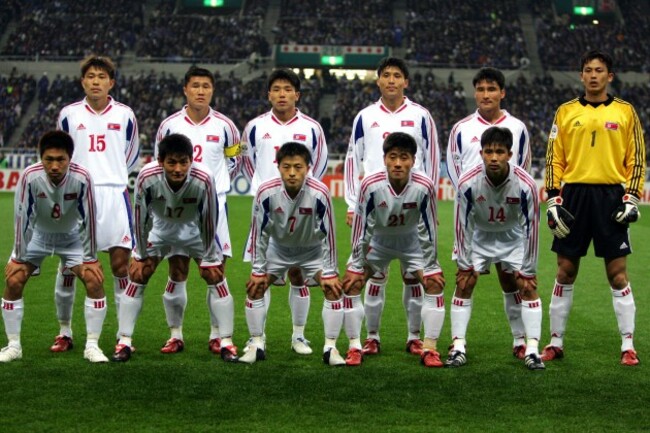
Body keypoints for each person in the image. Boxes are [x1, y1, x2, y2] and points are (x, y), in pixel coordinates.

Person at [543, 49, 645, 366]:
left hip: (610, 197)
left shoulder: (626, 112)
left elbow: (637, 158)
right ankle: (555, 342)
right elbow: (553, 157)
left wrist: (632, 196)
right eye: (588, 70)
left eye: (599, 70)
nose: (593, 75)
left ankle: (628, 345)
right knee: (565, 271)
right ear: (581, 75)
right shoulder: (565, 111)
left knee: (617, 275)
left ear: (609, 76)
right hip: (573, 197)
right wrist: (552, 198)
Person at [344, 57, 441, 357]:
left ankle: (414, 337)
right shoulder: (365, 116)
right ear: (378, 81)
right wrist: (351, 203)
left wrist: (428, 200)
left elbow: (432, 158)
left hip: (411, 205)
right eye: (385, 75)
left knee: (413, 276)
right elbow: (352, 158)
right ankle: (372, 337)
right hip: (375, 204)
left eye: (397, 76)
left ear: (405, 82)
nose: (391, 80)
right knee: (375, 275)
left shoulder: (421, 115)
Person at [111, 133, 235, 362]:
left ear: (192, 160)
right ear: (160, 161)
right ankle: (125, 341)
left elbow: (209, 219)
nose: (178, 169)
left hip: (194, 230)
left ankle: (226, 341)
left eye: (183, 162)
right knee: (138, 273)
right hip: (160, 229)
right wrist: (140, 253)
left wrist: (209, 256)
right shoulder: (147, 176)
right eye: (171, 163)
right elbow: (140, 218)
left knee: (215, 274)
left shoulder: (204, 178)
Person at [52, 55, 139, 353]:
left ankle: (123, 336)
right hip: (76, 197)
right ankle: (65, 332)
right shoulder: (69, 115)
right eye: (90, 76)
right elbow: (61, 154)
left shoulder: (126, 114)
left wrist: (108, 174)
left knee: (120, 266)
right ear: (83, 81)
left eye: (102, 77)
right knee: (68, 266)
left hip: (114, 195)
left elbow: (131, 154)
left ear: (111, 82)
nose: (96, 81)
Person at [240, 68, 329, 355]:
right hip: (268, 208)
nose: (282, 94)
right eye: (276, 89)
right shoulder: (254, 126)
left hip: (301, 208)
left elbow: (319, 164)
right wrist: (267, 189)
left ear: (297, 94)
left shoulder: (313, 127)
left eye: (287, 89)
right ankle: (257, 338)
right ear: (269, 94)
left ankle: (299, 336)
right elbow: (246, 160)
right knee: (261, 274)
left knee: (298, 275)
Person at [0, 131, 109, 363]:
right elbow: (23, 217)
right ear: (41, 158)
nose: (55, 166)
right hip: (38, 237)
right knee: (14, 279)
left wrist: (90, 257)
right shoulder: (30, 176)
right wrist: (19, 256)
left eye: (60, 159)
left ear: (70, 158)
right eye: (49, 159)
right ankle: (13, 345)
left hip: (72, 239)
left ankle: (92, 345)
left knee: (94, 279)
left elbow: (88, 218)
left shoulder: (82, 178)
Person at [446, 67, 532, 360]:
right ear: (475, 93)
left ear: (502, 93)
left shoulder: (518, 127)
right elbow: (455, 173)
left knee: (511, 281)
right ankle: (458, 344)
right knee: (465, 280)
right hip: (474, 219)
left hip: (508, 220)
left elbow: (524, 169)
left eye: (491, 89)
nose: (486, 95)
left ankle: (520, 340)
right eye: (481, 89)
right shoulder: (460, 128)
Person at [154, 66, 241, 355]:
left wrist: (213, 185)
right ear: (185, 90)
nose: (201, 91)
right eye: (195, 86)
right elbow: (159, 163)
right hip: (179, 205)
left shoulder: (226, 126)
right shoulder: (169, 125)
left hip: (215, 205)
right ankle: (175, 334)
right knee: (177, 269)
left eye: (206, 86)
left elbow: (234, 161)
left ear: (212, 90)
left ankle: (217, 334)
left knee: (215, 271)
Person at [342, 132, 445, 367]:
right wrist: (357, 265)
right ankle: (359, 344)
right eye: (393, 157)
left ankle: (427, 347)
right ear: (385, 158)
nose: (398, 163)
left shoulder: (424, 186)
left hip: (411, 243)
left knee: (434, 283)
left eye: (404, 158)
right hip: (378, 242)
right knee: (352, 283)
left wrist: (430, 267)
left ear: (413, 160)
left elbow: (429, 231)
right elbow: (360, 229)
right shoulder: (370, 184)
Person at [446, 126, 544, 370]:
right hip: (479, 235)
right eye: (488, 151)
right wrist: (464, 264)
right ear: (481, 153)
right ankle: (458, 346)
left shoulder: (526, 184)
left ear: (510, 154)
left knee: (525, 286)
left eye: (499, 152)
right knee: (464, 283)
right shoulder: (468, 182)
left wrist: (529, 270)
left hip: (512, 237)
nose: (493, 157)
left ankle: (531, 348)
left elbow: (532, 229)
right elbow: (462, 225)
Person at [240, 141, 343, 365]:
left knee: (333, 288)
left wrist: (331, 271)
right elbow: (259, 234)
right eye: (287, 167)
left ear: (308, 167)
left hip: (311, 251)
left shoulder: (320, 193)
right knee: (256, 286)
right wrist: (257, 270)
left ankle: (329, 348)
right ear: (278, 167)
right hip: (278, 249)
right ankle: (256, 344)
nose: (292, 173)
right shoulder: (266, 192)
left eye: (298, 167)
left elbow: (330, 235)